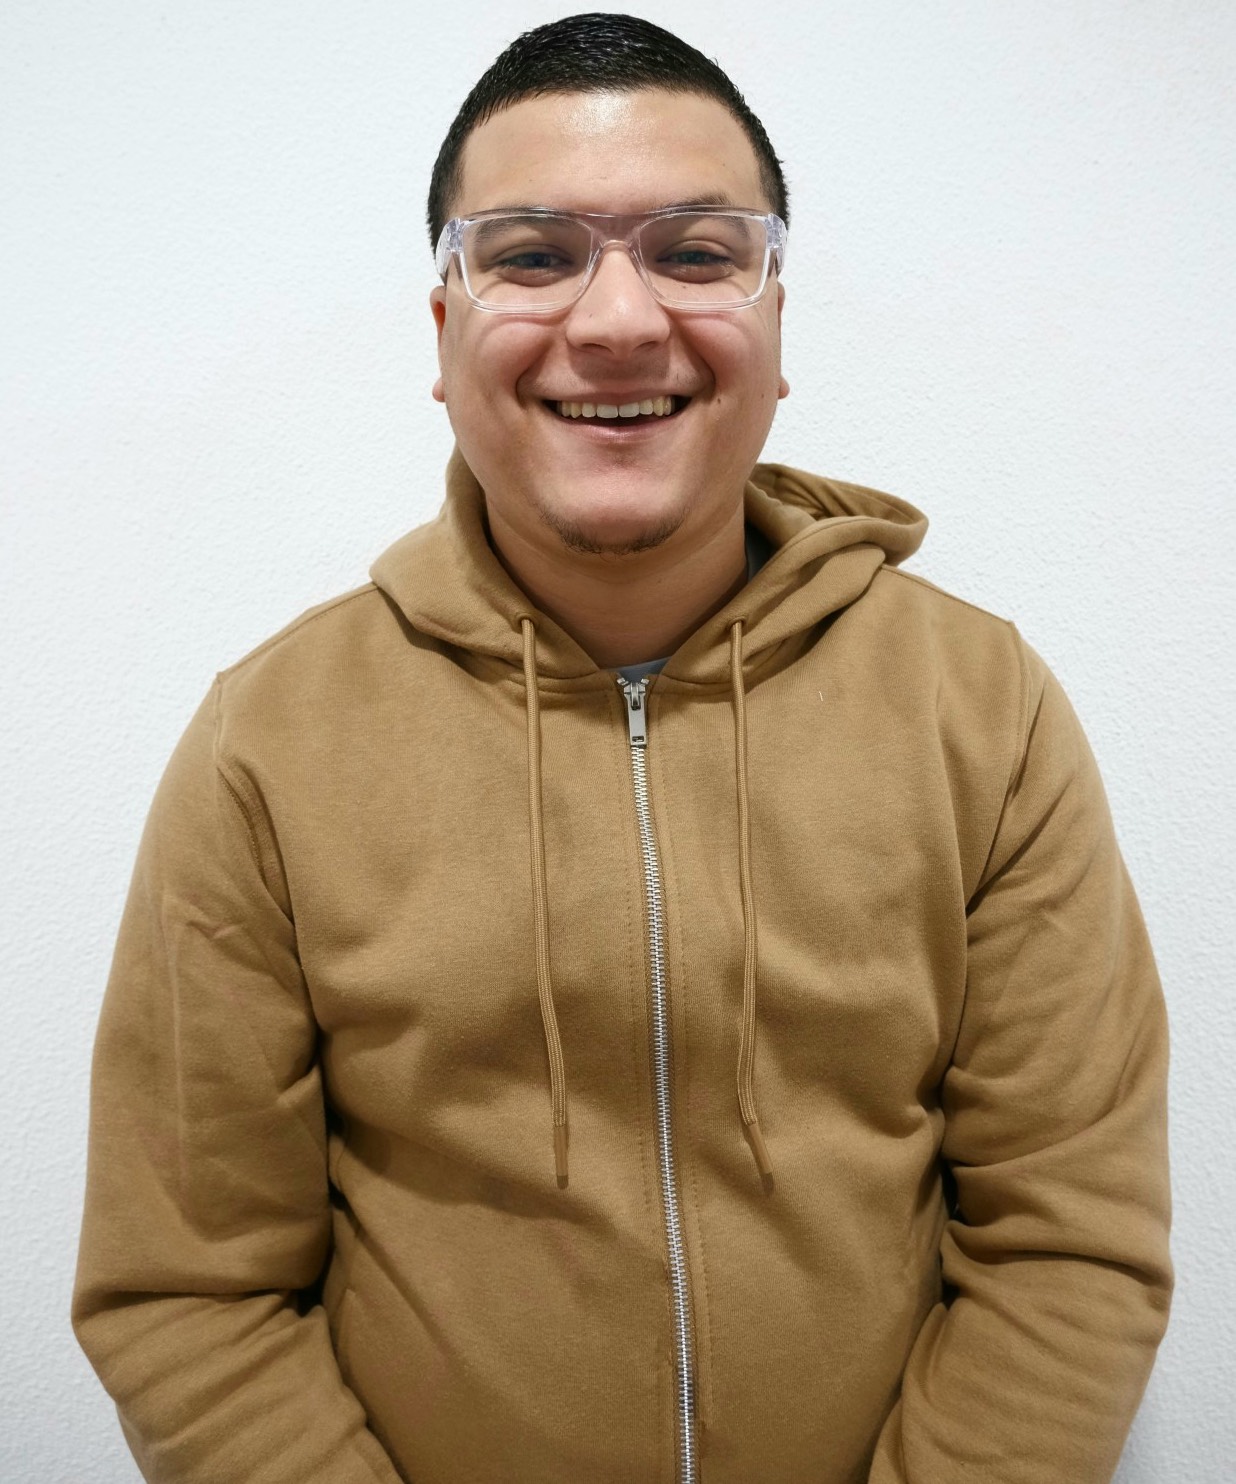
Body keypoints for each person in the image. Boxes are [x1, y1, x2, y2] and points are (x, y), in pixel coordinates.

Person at [73, 13, 1171, 1484]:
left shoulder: (982, 708)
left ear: (775, 324)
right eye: (533, 255)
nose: (616, 321)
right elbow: (188, 1292)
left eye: (696, 253)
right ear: (444, 332)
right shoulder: (265, 745)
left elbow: (1071, 1244)